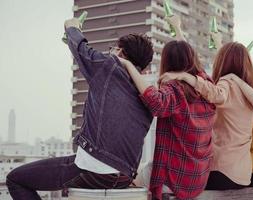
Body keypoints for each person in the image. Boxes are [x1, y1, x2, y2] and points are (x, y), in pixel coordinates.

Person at [6, 17, 154, 199]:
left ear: (121, 53)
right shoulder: (147, 96)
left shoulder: (110, 67)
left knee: (15, 179)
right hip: (123, 177)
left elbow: (80, 48)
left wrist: (72, 26)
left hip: (95, 170)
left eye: (113, 49)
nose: (110, 52)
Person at [118, 38, 216, 199]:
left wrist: (128, 66)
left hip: (175, 179)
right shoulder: (205, 85)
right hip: (197, 177)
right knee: (143, 170)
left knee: (126, 180)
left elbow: (156, 103)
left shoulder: (175, 89)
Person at [159, 40, 253, 190]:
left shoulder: (227, 82)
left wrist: (185, 76)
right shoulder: (248, 92)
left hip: (222, 170)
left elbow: (218, 95)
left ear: (222, 61)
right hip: (242, 174)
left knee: (177, 181)